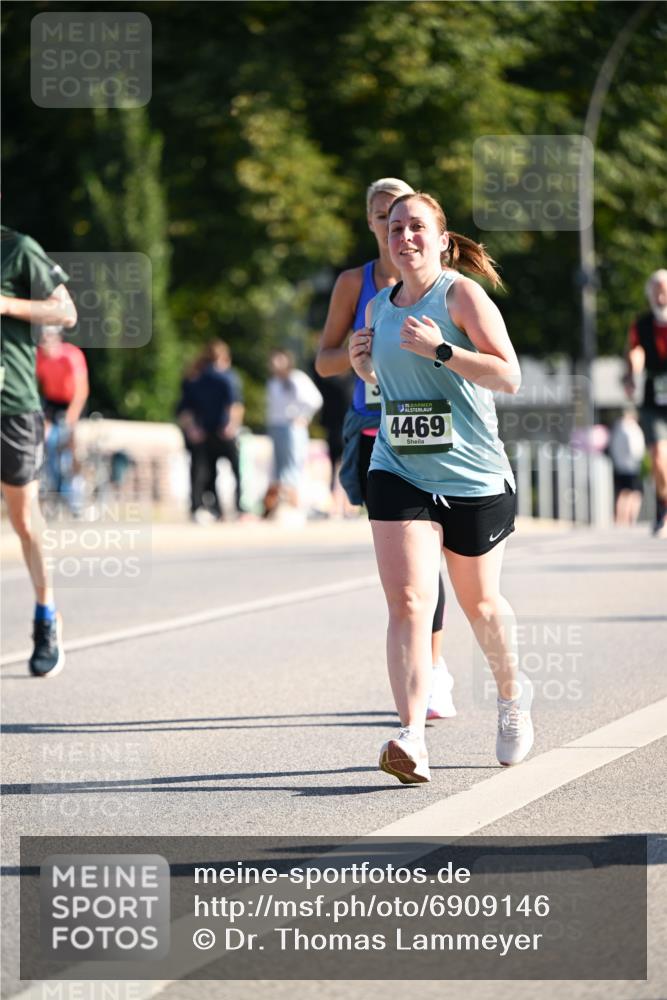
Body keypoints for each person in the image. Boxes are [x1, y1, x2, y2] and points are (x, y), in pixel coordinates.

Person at [349, 191, 532, 784]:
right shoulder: (377, 307)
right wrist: (365, 369)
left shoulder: (460, 294)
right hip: (398, 466)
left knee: (480, 604)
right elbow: (396, 385)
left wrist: (445, 350)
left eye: (417, 227)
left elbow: (508, 374)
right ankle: (411, 735)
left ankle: (511, 693)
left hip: (473, 474)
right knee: (407, 601)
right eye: (396, 227)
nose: (405, 236)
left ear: (442, 238)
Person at [315, 178, 455, 720]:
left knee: (439, 552)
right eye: (379, 216)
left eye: (400, 216)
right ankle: (427, 669)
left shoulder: (444, 285)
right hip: (379, 430)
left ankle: (435, 667)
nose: (389, 225)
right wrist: (353, 354)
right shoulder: (355, 283)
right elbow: (323, 359)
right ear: (372, 223)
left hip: (437, 429)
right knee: (409, 559)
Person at [0, 224, 77, 677]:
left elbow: (65, 311)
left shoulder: (17, 249)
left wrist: (7, 304)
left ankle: (46, 616)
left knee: (25, 519)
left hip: (12, 407)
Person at [176, 340, 245, 522]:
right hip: (220, 430)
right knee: (234, 470)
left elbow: (185, 409)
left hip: (203, 432)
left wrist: (192, 428)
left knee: (204, 472)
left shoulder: (193, 377)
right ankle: (237, 508)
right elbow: (235, 403)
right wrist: (231, 425)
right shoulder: (226, 377)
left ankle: (205, 507)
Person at [624, 269, 667, 537]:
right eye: (657, 290)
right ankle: (664, 507)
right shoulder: (641, 324)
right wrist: (632, 376)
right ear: (650, 294)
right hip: (654, 396)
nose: (661, 295)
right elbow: (636, 352)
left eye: (665, 290)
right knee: (659, 458)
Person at [36, 324, 89, 509]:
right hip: (53, 402)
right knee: (47, 439)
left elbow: (81, 389)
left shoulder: (71, 355)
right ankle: (51, 485)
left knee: (72, 444)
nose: (44, 343)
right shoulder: (40, 357)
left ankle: (76, 488)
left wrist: (71, 417)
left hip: (72, 401)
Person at [265, 348, 323, 513]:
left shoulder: (297, 378)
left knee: (293, 464)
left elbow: (315, 400)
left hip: (292, 427)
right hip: (277, 425)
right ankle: (280, 504)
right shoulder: (273, 382)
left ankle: (295, 504)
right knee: (279, 467)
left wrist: (303, 416)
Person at [609, 409, 645, 525]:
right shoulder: (631, 429)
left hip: (620, 466)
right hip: (632, 466)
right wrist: (638, 459)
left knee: (623, 493)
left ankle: (620, 518)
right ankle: (631, 519)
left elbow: (613, 448)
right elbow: (636, 449)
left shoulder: (617, 429)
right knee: (635, 493)